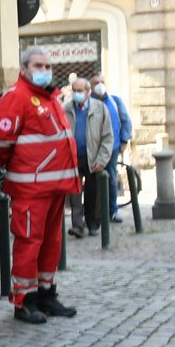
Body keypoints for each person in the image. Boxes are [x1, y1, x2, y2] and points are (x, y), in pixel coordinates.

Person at [0, 47, 80, 324]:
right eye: (38, 65)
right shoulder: (16, 98)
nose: (44, 70)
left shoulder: (51, 97)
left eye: (47, 66)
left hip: (56, 186)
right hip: (31, 188)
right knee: (29, 244)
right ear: (24, 68)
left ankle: (46, 294)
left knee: (51, 244)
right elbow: (1, 144)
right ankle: (24, 300)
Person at [64, 77, 113, 238]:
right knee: (74, 196)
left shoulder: (100, 108)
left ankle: (92, 223)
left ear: (88, 92)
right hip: (73, 159)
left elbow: (107, 137)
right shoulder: (65, 109)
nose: (77, 94)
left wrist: (102, 159)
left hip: (93, 158)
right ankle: (77, 226)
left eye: (80, 91)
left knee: (93, 192)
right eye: (75, 91)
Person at [90, 73, 132, 222]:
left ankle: (112, 211)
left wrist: (124, 140)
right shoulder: (88, 103)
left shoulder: (115, 101)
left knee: (111, 179)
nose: (100, 85)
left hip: (113, 148)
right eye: (96, 83)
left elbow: (125, 120)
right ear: (91, 86)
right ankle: (95, 213)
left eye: (102, 81)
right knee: (93, 182)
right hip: (94, 149)